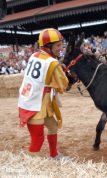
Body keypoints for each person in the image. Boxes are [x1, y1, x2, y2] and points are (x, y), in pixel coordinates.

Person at [18, 28, 69, 159]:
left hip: (33, 100)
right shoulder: (53, 63)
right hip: (34, 103)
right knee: (37, 140)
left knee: (53, 126)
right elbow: (63, 86)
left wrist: (57, 68)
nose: (61, 48)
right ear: (48, 47)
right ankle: (31, 167)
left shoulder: (34, 55)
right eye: (58, 45)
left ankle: (54, 155)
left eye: (61, 44)